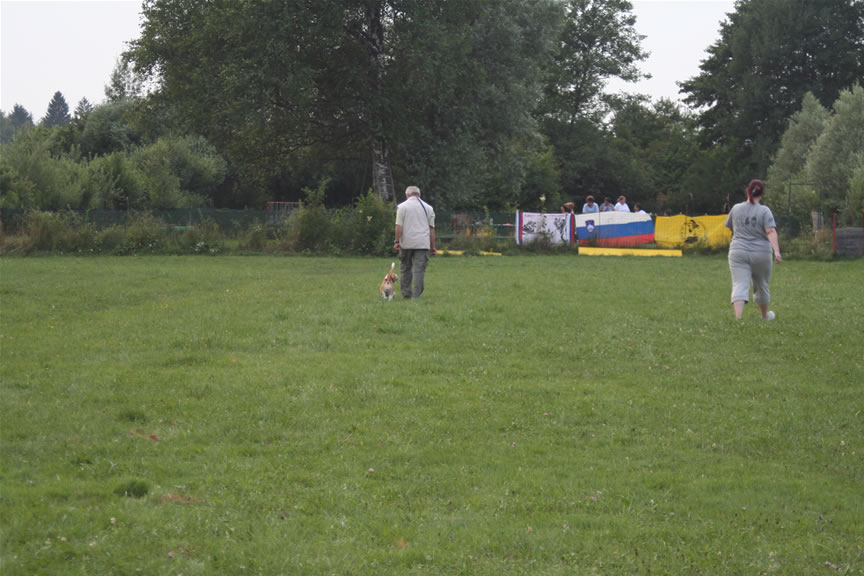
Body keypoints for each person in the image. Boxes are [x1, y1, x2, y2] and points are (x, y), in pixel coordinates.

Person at [725, 179, 782, 320]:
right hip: (761, 253)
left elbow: (731, 227)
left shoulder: (736, 208)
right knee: (762, 284)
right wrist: (776, 251)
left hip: (738, 251)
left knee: (739, 283)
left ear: (748, 191)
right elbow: (770, 231)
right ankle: (765, 316)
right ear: (761, 194)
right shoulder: (764, 211)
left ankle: (738, 318)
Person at [394, 185, 436, 299]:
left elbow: (398, 227)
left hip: (406, 243)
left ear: (407, 195)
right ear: (419, 195)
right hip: (422, 244)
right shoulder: (429, 208)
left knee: (405, 268)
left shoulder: (402, 207)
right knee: (419, 270)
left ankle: (406, 294)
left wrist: (396, 241)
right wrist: (433, 246)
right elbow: (432, 229)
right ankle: (416, 296)